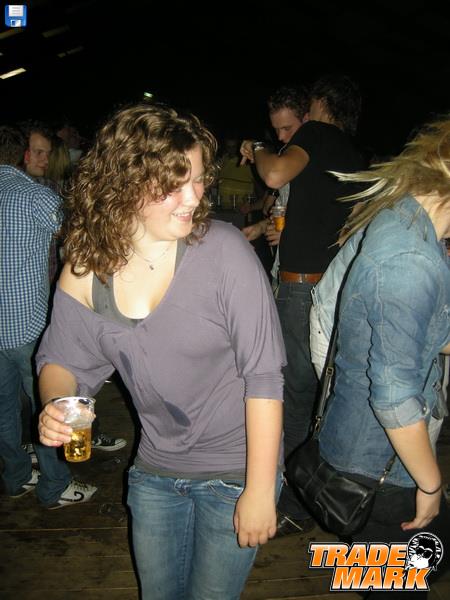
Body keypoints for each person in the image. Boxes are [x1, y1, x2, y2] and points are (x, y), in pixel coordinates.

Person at [36, 103, 285, 599]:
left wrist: (259, 491)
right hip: (155, 471)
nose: (194, 197)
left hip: (235, 469)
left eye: (198, 179)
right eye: (175, 184)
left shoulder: (224, 252)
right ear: (124, 186)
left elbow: (264, 378)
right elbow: (62, 360)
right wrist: (58, 405)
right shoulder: (88, 268)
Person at [318, 116, 450, 598]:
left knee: (387, 570)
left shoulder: (407, 218)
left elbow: (422, 330)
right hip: (378, 463)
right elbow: (393, 399)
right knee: (395, 581)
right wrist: (430, 486)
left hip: (373, 447)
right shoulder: (409, 259)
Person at [240, 74, 366, 535]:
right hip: (335, 287)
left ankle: (294, 501)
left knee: (293, 397)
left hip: (303, 290)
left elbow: (273, 174)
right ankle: (326, 494)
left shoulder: (317, 133)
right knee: (325, 395)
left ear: (320, 106)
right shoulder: (352, 152)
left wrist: (257, 147)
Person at [0, 124, 97, 508]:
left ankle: (15, 477)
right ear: (24, 155)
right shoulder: (34, 196)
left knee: (4, 410)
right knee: (49, 407)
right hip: (27, 326)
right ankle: (54, 486)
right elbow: (81, 237)